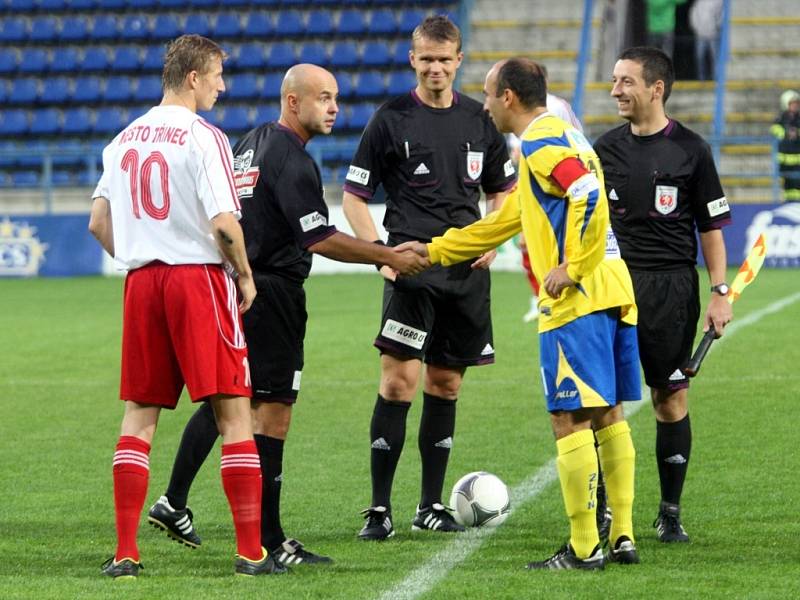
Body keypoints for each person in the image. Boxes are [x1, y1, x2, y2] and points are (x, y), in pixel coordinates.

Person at [145, 64, 428, 565]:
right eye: (323, 98)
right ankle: (271, 541)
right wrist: (386, 254)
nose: (334, 107)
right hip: (273, 295)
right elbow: (317, 237)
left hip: (239, 287)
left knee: (230, 401)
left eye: (336, 98)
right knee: (270, 416)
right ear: (293, 102)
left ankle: (175, 501)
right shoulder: (292, 160)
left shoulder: (251, 143)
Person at [398, 57, 642, 569]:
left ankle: (583, 548)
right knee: (607, 413)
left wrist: (573, 267)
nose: (484, 104)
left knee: (568, 416)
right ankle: (621, 534)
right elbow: (505, 220)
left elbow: (586, 192)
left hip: (579, 295)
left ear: (508, 96)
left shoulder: (539, 140)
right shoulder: (565, 134)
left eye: (488, 94)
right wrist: (436, 250)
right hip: (612, 286)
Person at [88, 34, 280, 578]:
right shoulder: (204, 137)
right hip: (197, 282)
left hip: (142, 283)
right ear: (193, 77)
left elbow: (99, 223)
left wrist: (141, 257)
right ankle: (250, 553)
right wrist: (243, 276)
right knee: (233, 411)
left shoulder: (122, 139)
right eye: (217, 74)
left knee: (138, 418)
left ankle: (126, 553)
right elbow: (223, 224)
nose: (222, 85)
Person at [341, 15, 517, 540]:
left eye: (445, 59)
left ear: (458, 61)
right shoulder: (390, 119)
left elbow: (502, 189)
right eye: (427, 59)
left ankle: (430, 505)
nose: (436, 68)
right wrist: (381, 255)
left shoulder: (479, 119)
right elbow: (354, 196)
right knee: (398, 384)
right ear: (413, 60)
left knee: (446, 383)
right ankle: (378, 509)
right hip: (412, 272)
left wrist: (491, 234)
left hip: (465, 272)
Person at [594, 46, 733, 543]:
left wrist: (720, 292)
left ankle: (669, 512)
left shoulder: (692, 150)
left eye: (626, 82)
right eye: (614, 81)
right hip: (612, 286)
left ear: (656, 88)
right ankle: (606, 508)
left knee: (669, 399)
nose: (615, 91)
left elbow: (712, 227)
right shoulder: (603, 149)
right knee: (601, 402)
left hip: (672, 288)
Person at [514, 66, 584, 323]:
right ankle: (539, 296)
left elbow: (574, 144)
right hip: (530, 181)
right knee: (526, 244)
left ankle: (560, 290)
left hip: (555, 186)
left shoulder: (553, 109)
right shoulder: (523, 115)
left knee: (550, 243)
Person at [770, 90, 800, 201]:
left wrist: (797, 132)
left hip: (798, 161)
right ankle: (789, 204)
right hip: (785, 162)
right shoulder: (780, 119)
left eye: (797, 103)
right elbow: (774, 130)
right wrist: (786, 133)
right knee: (788, 187)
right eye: (793, 103)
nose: (796, 105)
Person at [688, 0, 722, 81]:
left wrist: (718, 27)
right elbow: (693, 15)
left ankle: (716, 78)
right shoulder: (699, 2)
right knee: (699, 57)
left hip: (713, 35)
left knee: (715, 58)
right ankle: (701, 78)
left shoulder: (718, 2)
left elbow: (722, 14)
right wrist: (697, 29)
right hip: (701, 35)